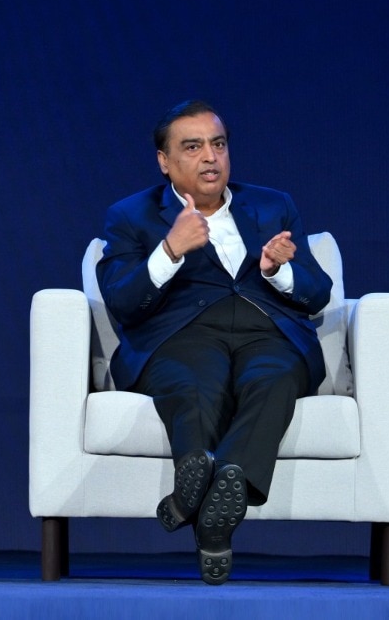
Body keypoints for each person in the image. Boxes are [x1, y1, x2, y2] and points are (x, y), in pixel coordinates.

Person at [95, 100, 332, 585]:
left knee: (274, 378)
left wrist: (279, 270)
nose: (210, 157)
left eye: (218, 145)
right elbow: (120, 301)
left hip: (267, 332)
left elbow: (318, 292)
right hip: (180, 335)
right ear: (165, 161)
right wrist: (169, 249)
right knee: (192, 382)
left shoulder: (272, 205)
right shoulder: (131, 216)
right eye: (193, 146)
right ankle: (215, 524)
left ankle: (199, 500)